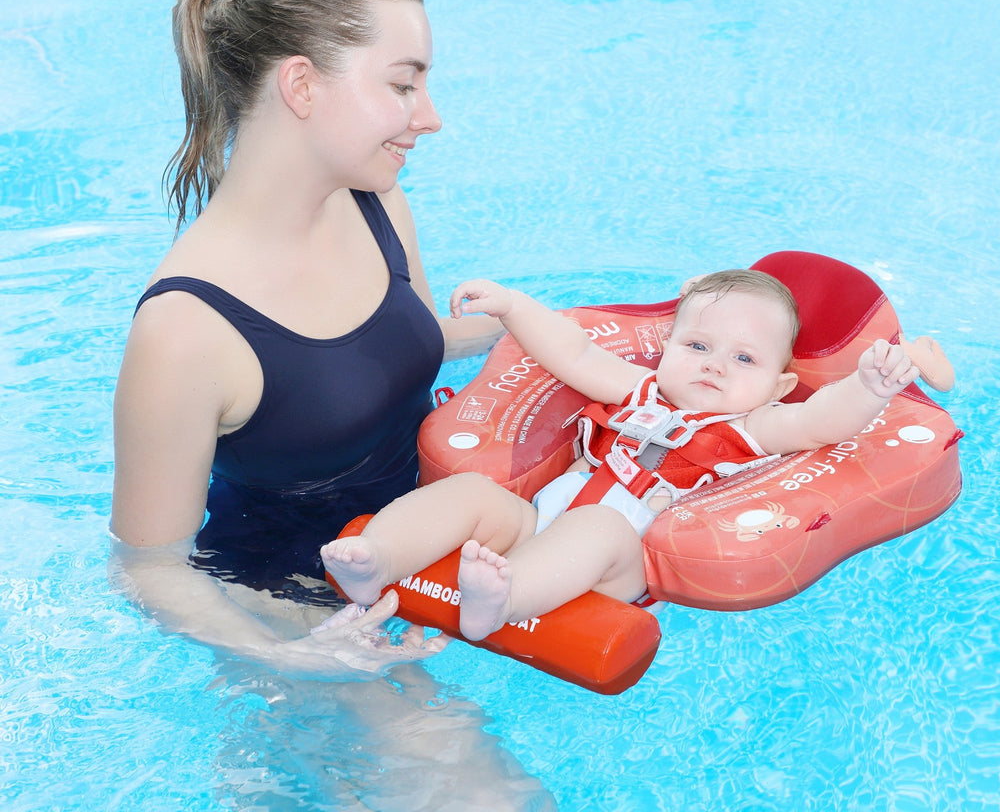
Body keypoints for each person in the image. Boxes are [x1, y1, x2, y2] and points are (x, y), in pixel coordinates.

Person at [110, 0, 505, 677]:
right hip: (294, 604)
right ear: (301, 86)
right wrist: (292, 659)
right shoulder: (187, 330)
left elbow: (403, 341)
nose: (430, 117)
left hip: (419, 542)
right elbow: (146, 567)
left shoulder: (375, 202)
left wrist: (561, 329)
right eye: (403, 84)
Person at [321, 269, 955, 642]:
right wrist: (514, 307)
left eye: (744, 359)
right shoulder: (640, 391)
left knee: (597, 525)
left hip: (622, 561)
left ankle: (501, 604)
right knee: (471, 497)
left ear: (779, 384)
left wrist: (872, 386)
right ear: (668, 346)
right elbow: (572, 354)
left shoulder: (756, 426)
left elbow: (825, 423)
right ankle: (375, 560)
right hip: (537, 520)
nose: (714, 365)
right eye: (699, 344)